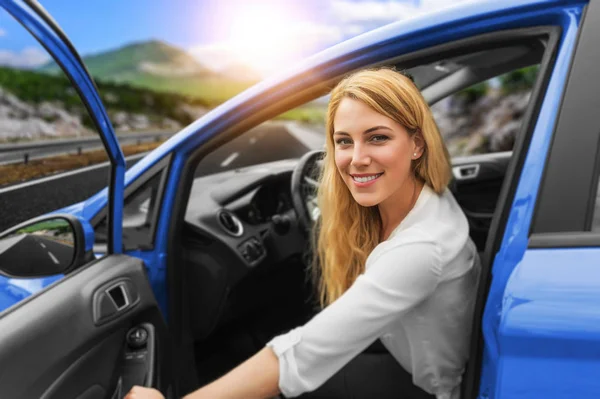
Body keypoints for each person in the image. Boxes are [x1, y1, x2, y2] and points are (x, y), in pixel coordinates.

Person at [125, 67, 480, 399]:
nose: (356, 159)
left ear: (417, 144)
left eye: (378, 138)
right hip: (412, 352)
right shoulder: (424, 196)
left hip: (433, 388)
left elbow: (301, 356)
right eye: (344, 141)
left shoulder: (419, 248)